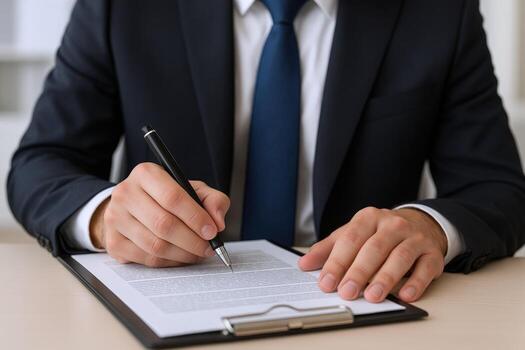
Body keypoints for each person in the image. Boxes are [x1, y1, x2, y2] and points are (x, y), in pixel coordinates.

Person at [7, 0, 525, 304]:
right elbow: (42, 163)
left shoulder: (437, 11)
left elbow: (498, 189)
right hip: (173, 297)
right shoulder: (123, 6)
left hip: (354, 307)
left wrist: (429, 226)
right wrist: (103, 218)